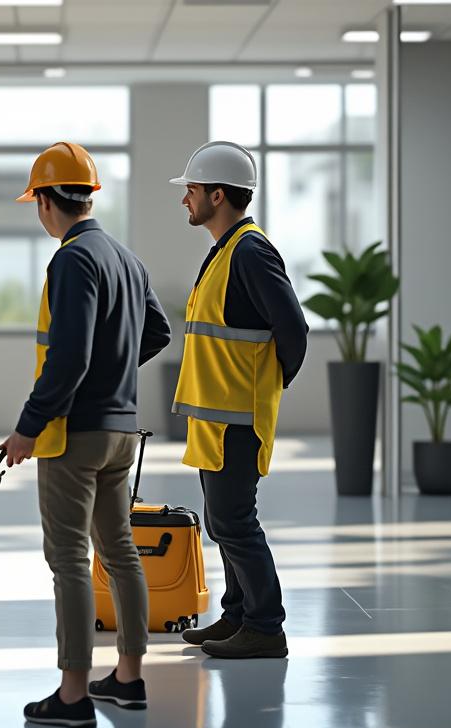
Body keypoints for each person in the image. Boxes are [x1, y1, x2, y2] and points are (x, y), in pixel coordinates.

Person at [1, 141, 172, 728]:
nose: (38, 213)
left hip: (75, 435)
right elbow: (158, 331)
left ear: (48, 201)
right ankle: (128, 678)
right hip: (122, 431)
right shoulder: (126, 257)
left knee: (70, 559)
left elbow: (68, 358)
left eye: (36, 201)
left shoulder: (72, 259)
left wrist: (27, 428)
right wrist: (116, 375)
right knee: (120, 551)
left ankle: (73, 695)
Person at [169, 141, 308, 658]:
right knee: (221, 521)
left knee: (235, 522)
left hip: (238, 418)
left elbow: (293, 330)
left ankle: (266, 627)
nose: (186, 199)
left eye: (192, 190)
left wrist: (269, 386)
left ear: (218, 194)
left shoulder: (250, 251)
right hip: (216, 418)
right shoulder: (225, 249)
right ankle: (236, 615)